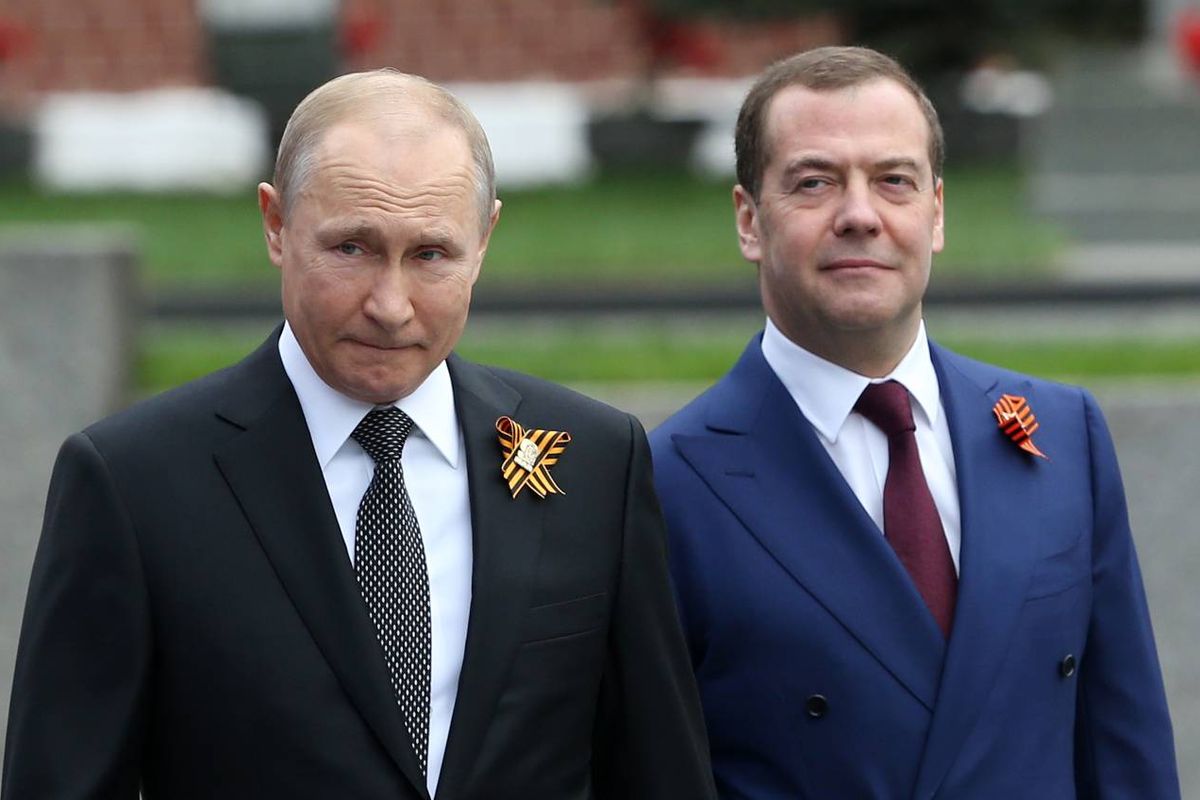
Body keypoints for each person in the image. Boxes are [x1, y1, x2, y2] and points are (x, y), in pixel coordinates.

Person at [3, 70, 716, 800]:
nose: (390, 305)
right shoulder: (135, 483)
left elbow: (658, 769)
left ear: (485, 238)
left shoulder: (595, 463)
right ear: (275, 225)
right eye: (352, 248)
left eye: (431, 255)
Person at [650, 46, 1180, 799]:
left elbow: (1126, 752)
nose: (860, 215)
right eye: (814, 182)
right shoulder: (669, 480)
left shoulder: (1063, 435)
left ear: (935, 214)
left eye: (893, 181)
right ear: (749, 220)